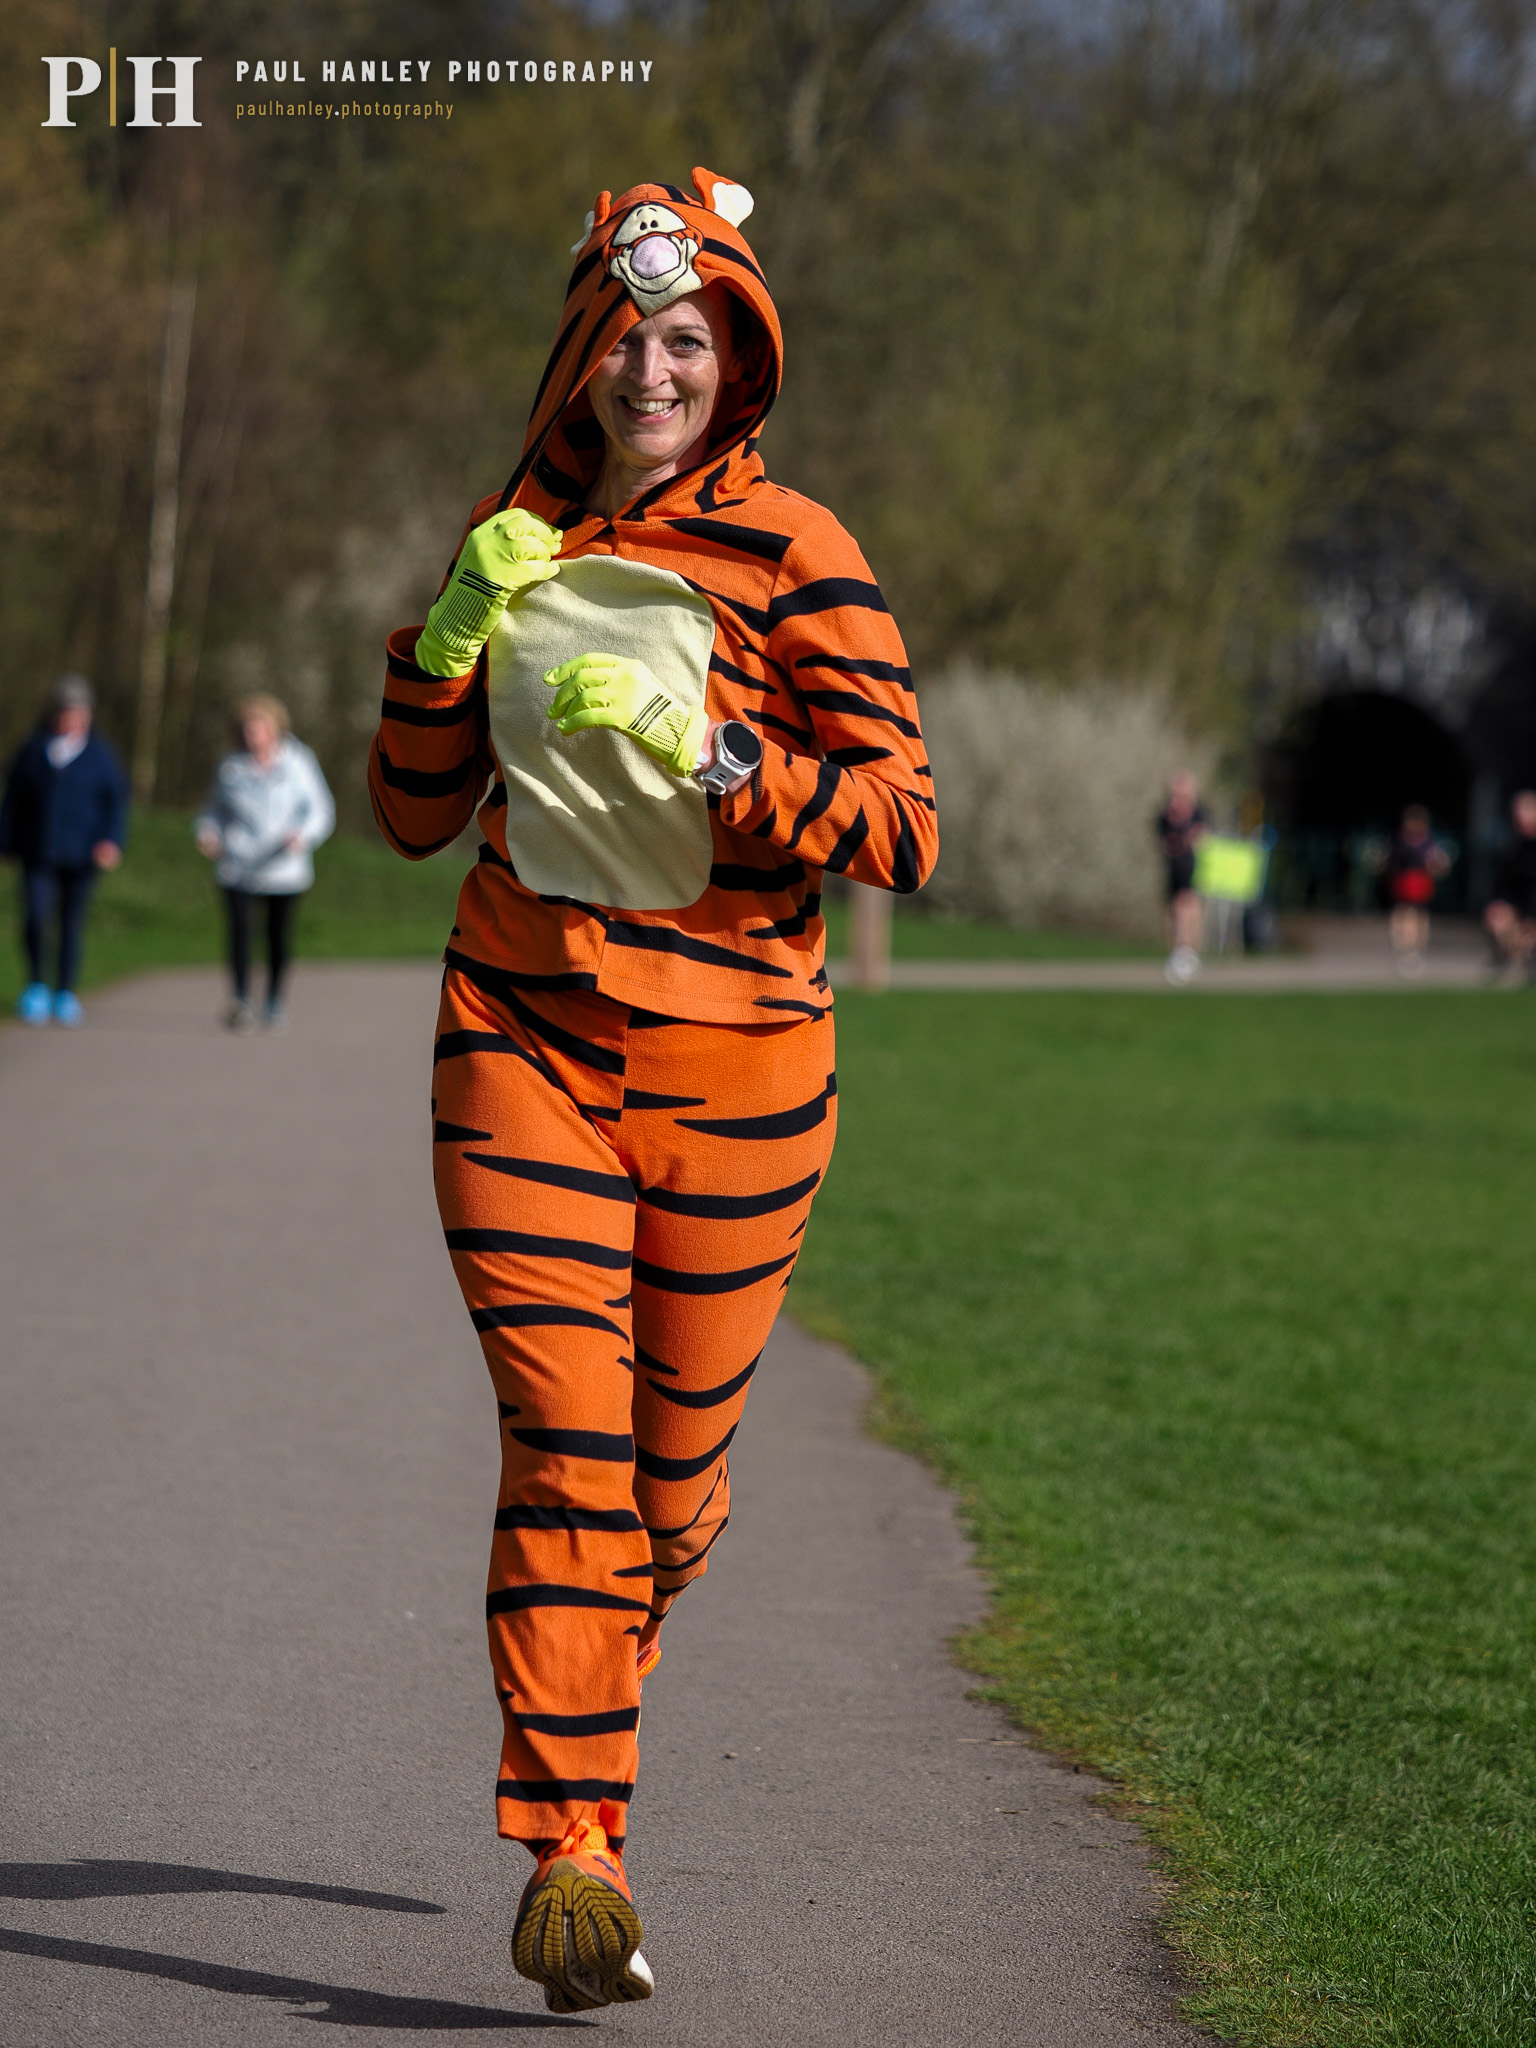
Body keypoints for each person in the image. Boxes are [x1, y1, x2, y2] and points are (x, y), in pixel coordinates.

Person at [368, 167, 938, 2014]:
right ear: (579, 353)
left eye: (687, 339)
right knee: (566, 1441)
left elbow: (904, 828)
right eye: (625, 337)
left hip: (739, 1069)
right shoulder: (514, 537)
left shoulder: (803, 550)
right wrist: (449, 639)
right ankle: (575, 1852)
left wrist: (721, 750)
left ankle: (595, 1697)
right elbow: (409, 813)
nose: (652, 370)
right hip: (519, 1038)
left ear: (738, 358)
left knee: (666, 1505)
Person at [195, 694, 335, 1032]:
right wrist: (207, 833)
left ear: (275, 729)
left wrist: (302, 837)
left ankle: (273, 1000)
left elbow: (321, 810)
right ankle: (240, 1001)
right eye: (247, 730)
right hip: (238, 866)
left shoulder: (299, 762)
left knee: (277, 936)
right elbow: (212, 810)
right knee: (240, 934)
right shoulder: (230, 767)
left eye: (259, 729)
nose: (253, 736)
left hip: (284, 868)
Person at [0, 674, 127, 1027]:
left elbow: (115, 804)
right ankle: (36, 986)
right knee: (35, 918)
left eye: (77, 712)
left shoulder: (101, 755)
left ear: (87, 715)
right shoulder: (32, 749)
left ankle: (65, 992)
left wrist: (110, 840)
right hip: (37, 851)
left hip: (82, 854)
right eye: (64, 712)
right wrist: (5, 841)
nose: (70, 719)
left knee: (71, 923)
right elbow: (12, 801)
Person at [1155, 770, 1208, 983]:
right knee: (1173, 910)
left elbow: (1202, 841)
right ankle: (1178, 953)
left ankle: (1187, 953)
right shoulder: (1165, 817)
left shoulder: (1199, 815)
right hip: (1173, 869)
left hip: (1192, 868)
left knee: (1186, 907)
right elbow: (1165, 843)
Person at [1386, 803, 1450, 976]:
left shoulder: (1429, 843)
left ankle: (1415, 952)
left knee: (1418, 918)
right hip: (1403, 885)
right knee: (1403, 917)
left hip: (1420, 885)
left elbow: (1439, 865)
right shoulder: (1398, 840)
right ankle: (1404, 950)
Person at [1483, 788, 1536, 983]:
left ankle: (1527, 962)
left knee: (1528, 934)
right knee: (1499, 922)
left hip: (1531, 898)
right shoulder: (1508, 842)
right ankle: (1507, 959)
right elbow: (1502, 878)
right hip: (1514, 896)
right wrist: (1496, 902)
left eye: (1527, 810)